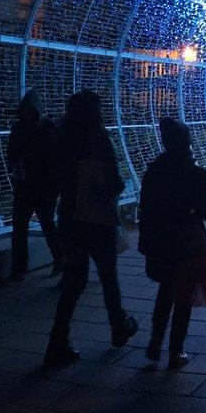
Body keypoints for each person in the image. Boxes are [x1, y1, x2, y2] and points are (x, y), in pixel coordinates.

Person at [44, 90, 138, 366]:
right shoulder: (100, 138)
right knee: (108, 276)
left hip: (71, 219)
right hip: (99, 220)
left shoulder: (62, 140)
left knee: (75, 280)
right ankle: (118, 326)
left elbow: (56, 180)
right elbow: (115, 180)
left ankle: (57, 340)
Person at [139, 118, 206, 370]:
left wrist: (145, 239)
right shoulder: (196, 173)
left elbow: (145, 208)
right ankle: (175, 351)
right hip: (188, 241)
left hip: (161, 238)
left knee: (165, 290)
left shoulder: (155, 170)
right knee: (184, 296)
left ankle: (155, 340)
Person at [7, 90, 63, 282]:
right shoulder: (46, 129)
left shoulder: (25, 129)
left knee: (39, 226)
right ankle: (55, 261)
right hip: (32, 186)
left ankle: (21, 269)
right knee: (33, 227)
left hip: (36, 186)